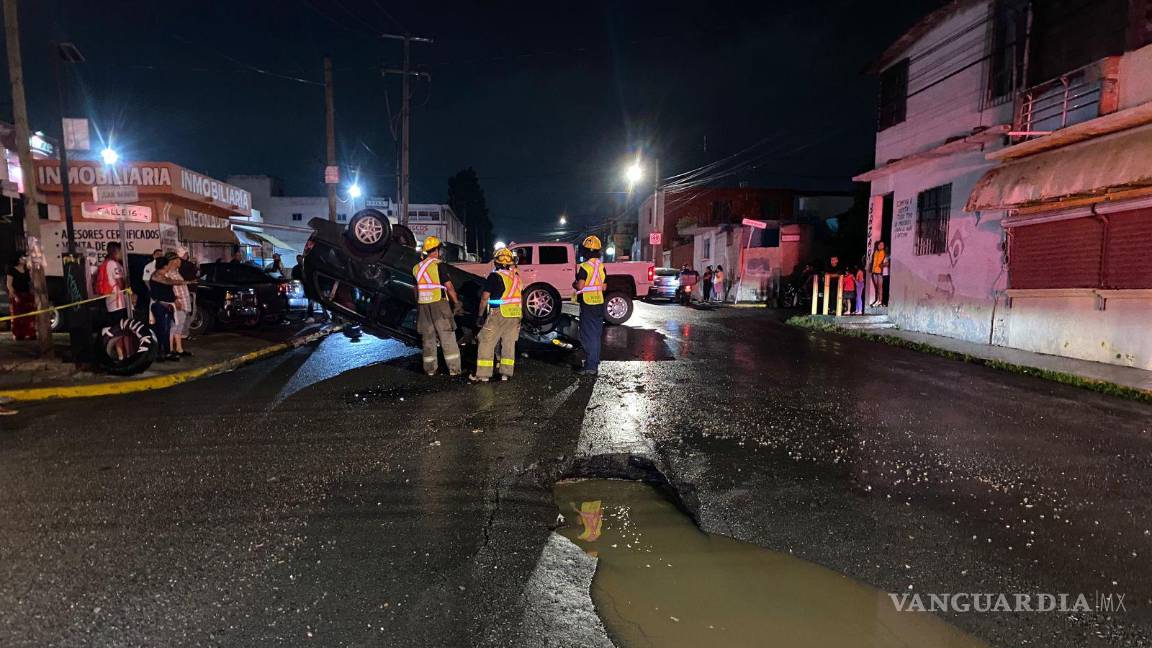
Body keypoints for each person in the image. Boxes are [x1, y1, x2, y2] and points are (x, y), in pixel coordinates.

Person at [470, 248, 522, 383]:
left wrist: (480, 315)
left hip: (499, 313)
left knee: (486, 341)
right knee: (508, 343)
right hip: (515, 314)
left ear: (496, 262)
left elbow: (484, 298)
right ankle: (505, 374)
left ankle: (483, 374)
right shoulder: (516, 277)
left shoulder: (495, 276)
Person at [413, 235, 462, 376]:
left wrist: (418, 304)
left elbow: (415, 289)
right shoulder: (438, 265)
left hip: (423, 305)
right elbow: (449, 287)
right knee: (446, 336)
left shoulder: (416, 268)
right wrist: (456, 302)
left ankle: (430, 370)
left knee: (428, 338)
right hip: (439, 304)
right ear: (436, 250)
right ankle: (454, 370)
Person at [573, 235, 607, 376]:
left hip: (588, 304)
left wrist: (574, 285)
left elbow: (580, 285)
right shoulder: (601, 266)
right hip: (599, 302)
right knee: (596, 334)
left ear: (586, 251)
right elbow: (604, 286)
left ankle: (591, 365)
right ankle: (594, 361)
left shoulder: (585, 267)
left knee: (587, 335)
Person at [148, 254, 180, 362]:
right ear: (165, 266)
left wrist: (174, 298)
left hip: (166, 305)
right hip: (160, 305)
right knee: (161, 330)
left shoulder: (163, 276)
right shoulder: (157, 276)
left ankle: (166, 352)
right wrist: (187, 282)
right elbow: (169, 283)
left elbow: (168, 290)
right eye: (168, 265)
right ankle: (160, 353)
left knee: (166, 330)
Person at [161, 252, 192, 356]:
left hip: (183, 303)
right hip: (176, 304)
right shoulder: (167, 273)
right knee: (173, 327)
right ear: (173, 261)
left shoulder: (176, 272)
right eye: (178, 259)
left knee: (179, 327)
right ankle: (169, 350)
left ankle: (179, 349)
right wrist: (175, 300)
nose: (180, 261)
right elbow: (168, 290)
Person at [6, 253, 35, 341]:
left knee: (29, 316)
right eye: (23, 257)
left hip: (26, 294)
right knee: (18, 316)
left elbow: (30, 282)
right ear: (18, 259)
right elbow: (9, 285)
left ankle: (30, 333)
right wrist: (14, 295)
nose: (25, 259)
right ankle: (19, 334)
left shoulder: (26, 270)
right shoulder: (12, 270)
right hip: (17, 295)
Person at [870, 242, 888, 308]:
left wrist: (881, 266)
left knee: (880, 287)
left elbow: (886, 262)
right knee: (876, 287)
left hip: (880, 272)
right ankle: (877, 300)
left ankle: (880, 301)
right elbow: (873, 261)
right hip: (874, 271)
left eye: (882, 245)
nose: (881, 246)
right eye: (879, 245)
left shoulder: (884, 252)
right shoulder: (876, 252)